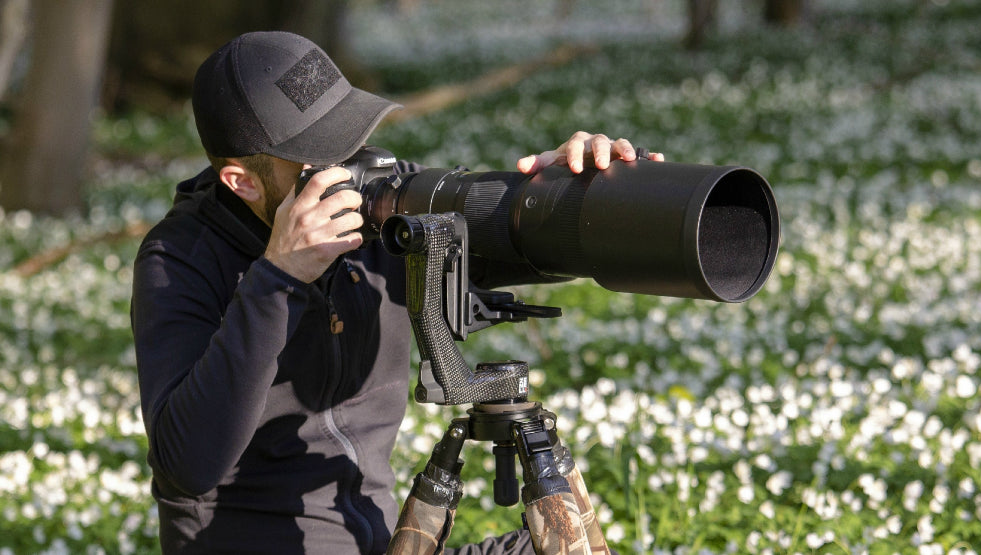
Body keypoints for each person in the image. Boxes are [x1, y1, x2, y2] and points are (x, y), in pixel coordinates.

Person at [131, 30, 662, 554]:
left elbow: (512, 237)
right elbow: (187, 467)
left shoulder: (381, 200)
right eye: (321, 157)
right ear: (241, 182)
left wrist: (575, 195)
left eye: (351, 138)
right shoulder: (179, 261)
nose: (350, 168)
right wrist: (278, 276)